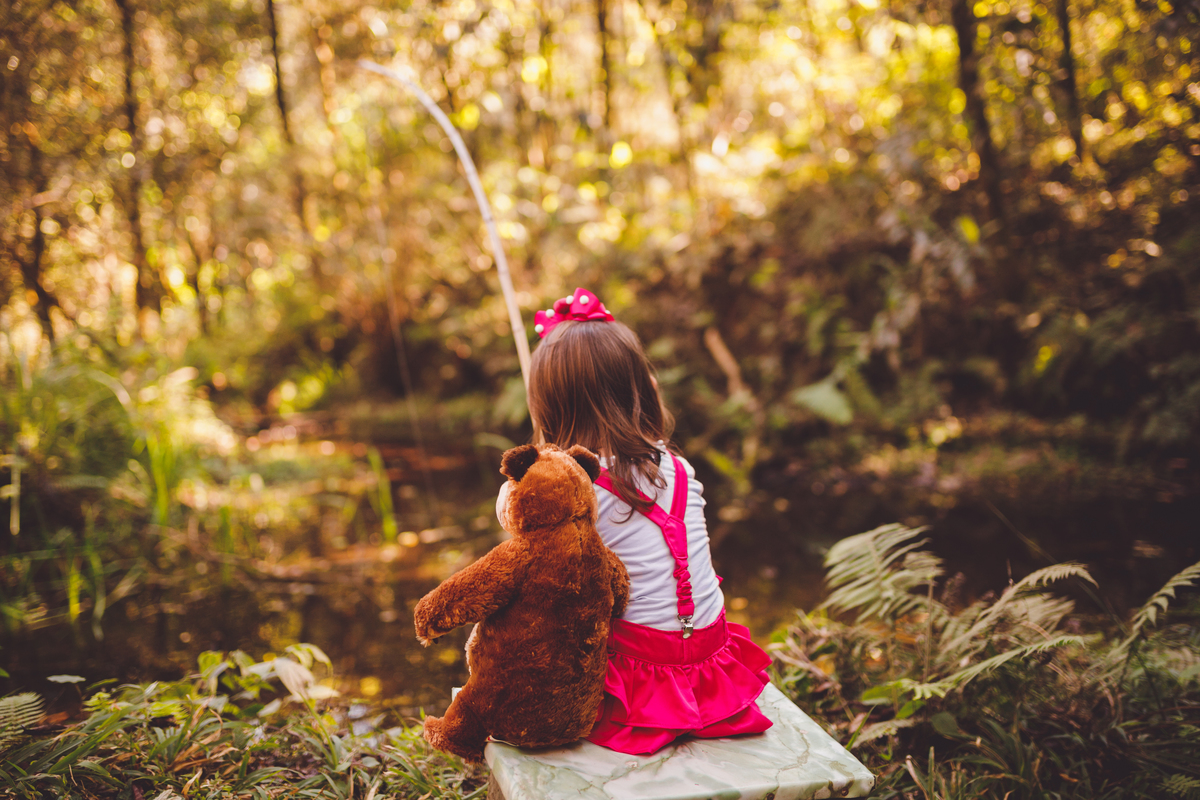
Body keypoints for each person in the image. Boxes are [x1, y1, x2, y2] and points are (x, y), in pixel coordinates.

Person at [519, 287, 773, 756]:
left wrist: (525, 477)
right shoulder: (677, 466)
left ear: (549, 405)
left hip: (643, 677)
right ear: (640, 387)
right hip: (709, 663)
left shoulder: (574, 490)